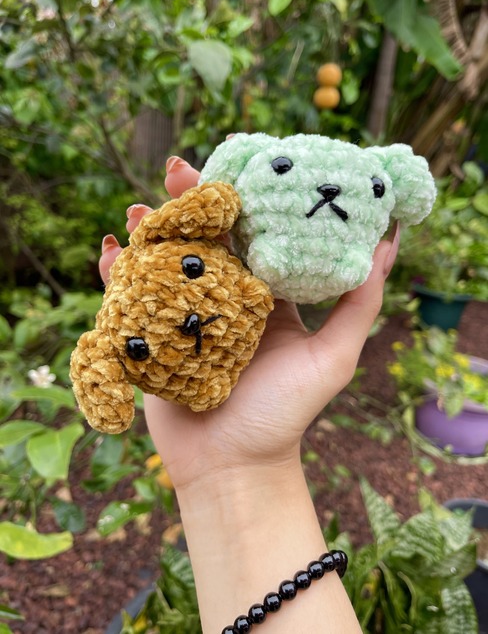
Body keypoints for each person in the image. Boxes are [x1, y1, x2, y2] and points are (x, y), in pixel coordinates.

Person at [99, 155, 400, 634]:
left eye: (193, 265)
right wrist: (231, 470)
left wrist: (239, 469)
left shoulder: (244, 292)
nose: (191, 322)